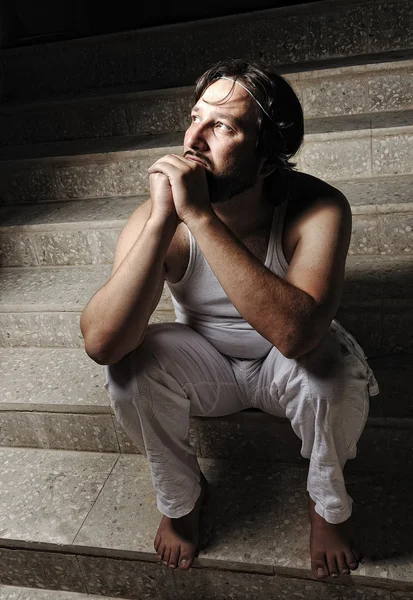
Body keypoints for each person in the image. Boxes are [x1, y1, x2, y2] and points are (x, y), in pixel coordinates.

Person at [80, 59, 379, 580]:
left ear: (267, 159)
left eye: (221, 125)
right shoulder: (161, 218)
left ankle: (327, 503)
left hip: (282, 365)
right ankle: (181, 498)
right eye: (195, 117)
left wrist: (198, 216)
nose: (192, 139)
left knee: (331, 374)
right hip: (207, 363)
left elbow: (296, 335)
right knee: (127, 369)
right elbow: (103, 342)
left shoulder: (318, 206)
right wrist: (161, 221)